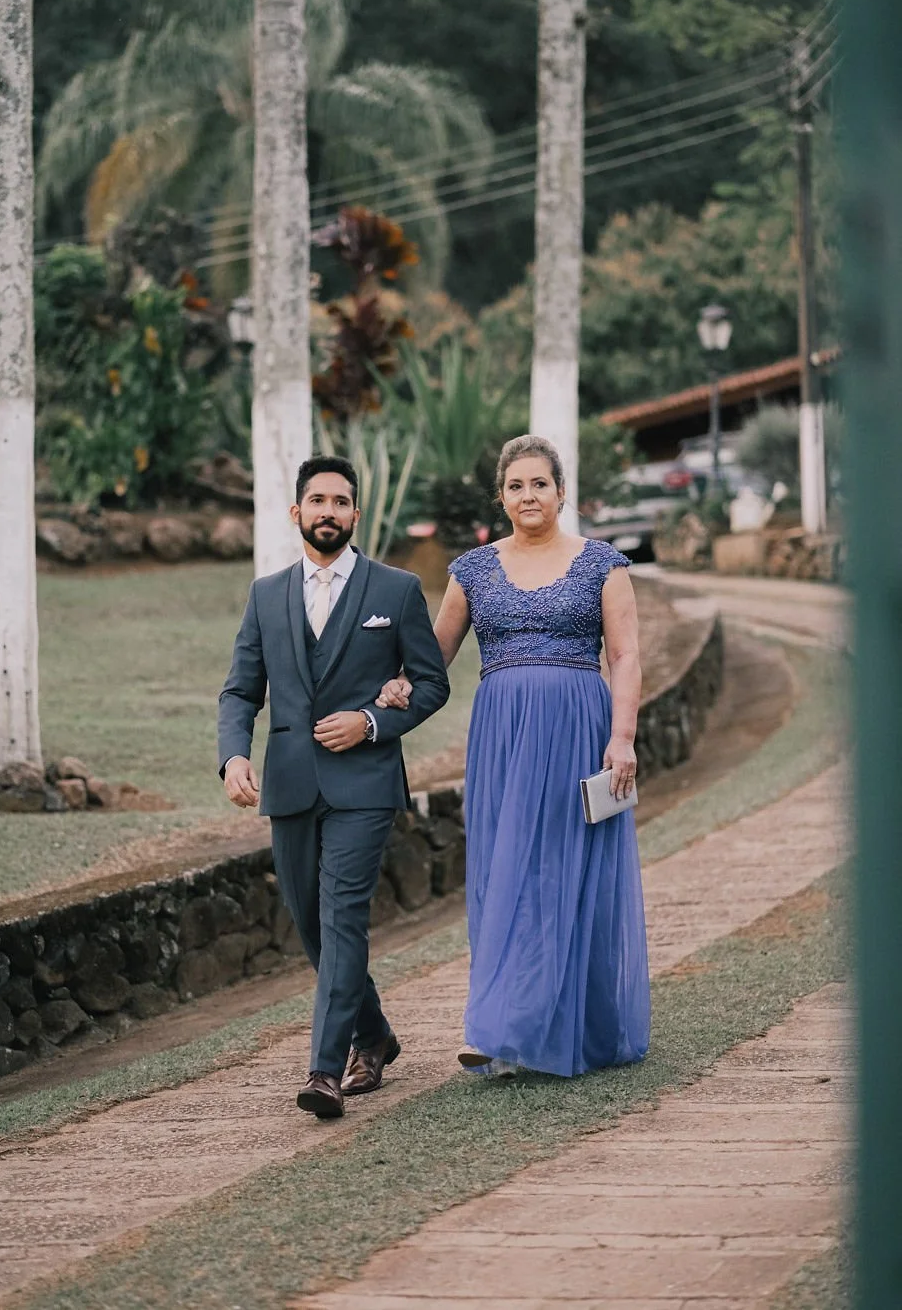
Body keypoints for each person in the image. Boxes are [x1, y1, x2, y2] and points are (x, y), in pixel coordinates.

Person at [378, 434, 650, 1078]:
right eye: (516, 486)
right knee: (506, 870)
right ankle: (499, 1028)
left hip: (581, 731)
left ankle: (554, 1025)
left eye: (540, 484)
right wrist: (399, 684)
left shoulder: (602, 563)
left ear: (561, 492)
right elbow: (433, 656)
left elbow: (627, 656)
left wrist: (622, 736)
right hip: (502, 737)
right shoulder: (471, 571)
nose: (529, 496)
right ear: (501, 498)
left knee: (565, 871)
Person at [218, 456, 450, 1118]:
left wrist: (373, 721)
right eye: (316, 500)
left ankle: (325, 1070)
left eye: (341, 501)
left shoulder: (397, 590)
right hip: (289, 783)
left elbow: (431, 683)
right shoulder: (266, 594)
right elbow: (240, 690)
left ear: (356, 514)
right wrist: (234, 757)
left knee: (343, 917)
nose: (329, 511)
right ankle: (375, 1033)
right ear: (297, 513)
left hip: (365, 786)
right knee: (311, 925)